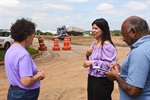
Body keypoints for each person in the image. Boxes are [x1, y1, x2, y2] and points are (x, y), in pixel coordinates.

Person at [105, 16, 150, 100]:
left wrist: (116, 76)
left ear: (133, 32)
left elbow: (133, 91)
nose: (123, 39)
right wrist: (122, 69)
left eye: (124, 35)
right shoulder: (146, 45)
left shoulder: (139, 52)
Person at [4, 18, 45, 100]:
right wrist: (39, 75)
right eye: (32, 34)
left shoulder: (11, 49)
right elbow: (26, 81)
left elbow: (17, 70)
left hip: (13, 91)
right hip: (24, 94)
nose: (34, 36)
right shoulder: (24, 54)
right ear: (26, 36)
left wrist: (33, 72)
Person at [83, 18, 117, 100]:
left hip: (102, 80)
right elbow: (91, 59)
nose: (93, 31)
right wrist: (87, 54)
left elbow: (108, 65)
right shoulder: (93, 44)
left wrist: (92, 62)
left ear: (103, 30)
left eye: (96, 28)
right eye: (92, 28)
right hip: (92, 78)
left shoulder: (107, 46)